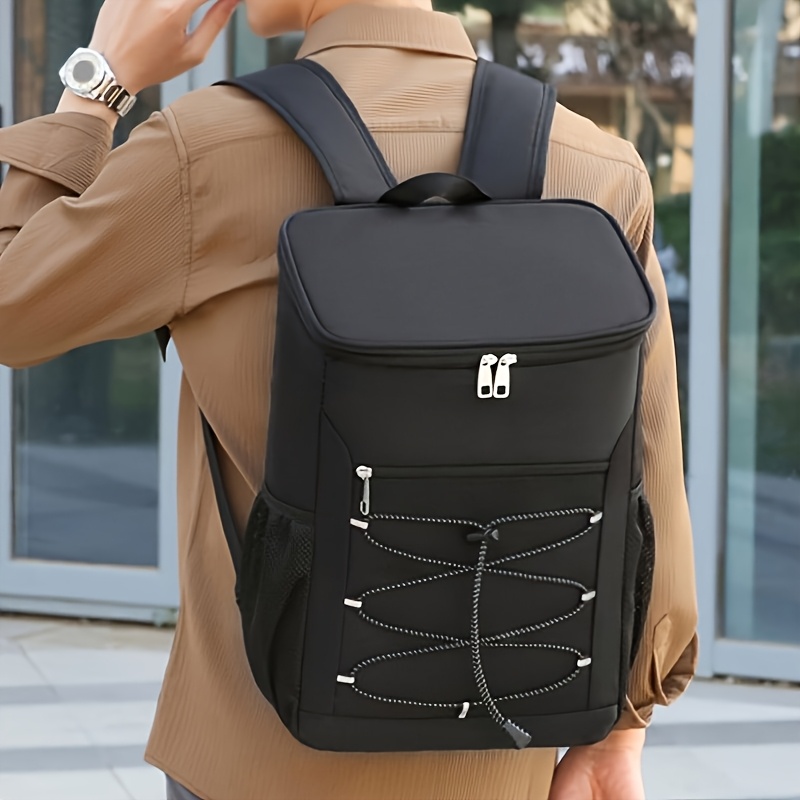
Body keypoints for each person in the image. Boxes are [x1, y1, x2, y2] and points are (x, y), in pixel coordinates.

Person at [0, 0, 698, 797]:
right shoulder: (600, 166)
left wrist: (98, 84)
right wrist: (623, 730)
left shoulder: (202, 151)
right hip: (507, 757)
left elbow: (12, 308)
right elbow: (649, 475)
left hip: (253, 762)